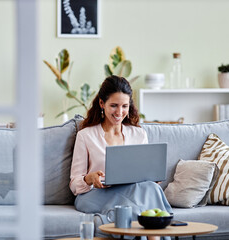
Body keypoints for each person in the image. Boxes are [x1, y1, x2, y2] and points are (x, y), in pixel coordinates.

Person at [69, 75, 172, 239]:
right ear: (102, 104)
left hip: (131, 193)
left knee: (150, 188)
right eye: (114, 106)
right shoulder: (86, 136)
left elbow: (145, 176)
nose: (119, 112)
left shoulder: (138, 134)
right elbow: (74, 184)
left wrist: (152, 177)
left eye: (124, 106)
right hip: (94, 195)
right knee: (145, 193)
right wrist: (90, 178)